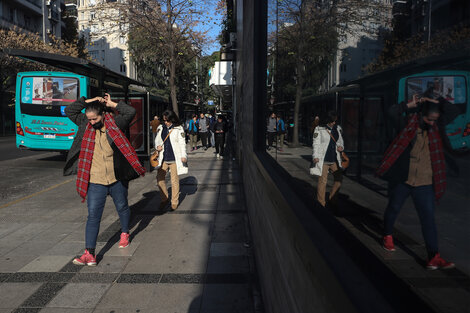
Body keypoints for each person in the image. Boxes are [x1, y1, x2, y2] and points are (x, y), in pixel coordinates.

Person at [64, 94, 146, 266]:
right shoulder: (85, 125)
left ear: (102, 115)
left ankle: (125, 232)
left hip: (116, 178)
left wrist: (111, 103)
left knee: (122, 206)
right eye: (89, 119)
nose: (91, 122)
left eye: (94, 119)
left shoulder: (115, 124)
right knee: (93, 216)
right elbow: (69, 110)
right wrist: (89, 101)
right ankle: (90, 253)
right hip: (95, 180)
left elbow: (130, 112)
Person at [376, 95, 455, 270]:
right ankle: (387, 235)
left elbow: (453, 111)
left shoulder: (437, 127)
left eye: (435, 120)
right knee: (393, 208)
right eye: (429, 119)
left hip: (424, 182)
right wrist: (412, 103)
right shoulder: (408, 124)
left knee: (428, 218)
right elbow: (391, 112)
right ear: (421, 114)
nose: (432, 123)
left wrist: (437, 100)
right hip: (404, 178)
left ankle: (433, 256)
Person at [155, 110, 188, 210]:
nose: (166, 122)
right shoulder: (160, 128)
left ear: (172, 119)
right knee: (160, 180)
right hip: (163, 158)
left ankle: (174, 202)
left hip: (174, 158)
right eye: (164, 120)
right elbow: (157, 141)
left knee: (174, 181)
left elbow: (182, 143)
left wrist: (184, 156)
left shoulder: (178, 129)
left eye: (167, 120)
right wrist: (157, 147)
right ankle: (165, 199)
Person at [311, 111, 345, 207]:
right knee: (322, 181)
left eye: (335, 121)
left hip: (334, 159)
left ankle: (332, 199)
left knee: (339, 179)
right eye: (332, 121)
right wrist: (315, 156)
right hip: (323, 159)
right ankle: (321, 203)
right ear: (328, 121)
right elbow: (315, 144)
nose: (334, 123)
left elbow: (340, 141)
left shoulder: (337, 129)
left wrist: (341, 147)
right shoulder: (319, 129)